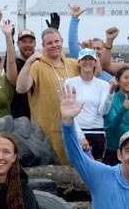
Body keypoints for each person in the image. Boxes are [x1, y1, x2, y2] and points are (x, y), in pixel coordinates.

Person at [15, 27, 80, 163]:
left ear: (62, 41)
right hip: (46, 136)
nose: (54, 45)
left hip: (75, 131)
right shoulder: (37, 66)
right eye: (49, 43)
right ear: (43, 46)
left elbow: (95, 72)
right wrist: (29, 62)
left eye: (57, 41)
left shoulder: (73, 64)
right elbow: (21, 88)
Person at [62, 48, 114, 157]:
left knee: (97, 169)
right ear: (79, 62)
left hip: (97, 132)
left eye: (91, 59)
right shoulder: (69, 83)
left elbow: (103, 111)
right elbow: (68, 113)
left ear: (95, 63)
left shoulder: (104, 85)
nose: (87, 62)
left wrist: (110, 94)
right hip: (76, 131)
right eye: (84, 59)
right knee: (76, 169)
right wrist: (80, 137)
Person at [104, 67, 129, 163]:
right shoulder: (112, 99)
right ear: (118, 80)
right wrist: (123, 109)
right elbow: (110, 128)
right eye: (126, 78)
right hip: (113, 150)